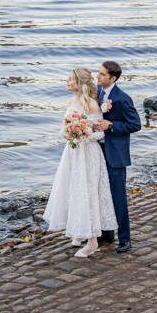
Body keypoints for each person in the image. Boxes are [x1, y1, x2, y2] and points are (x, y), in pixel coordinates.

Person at [42, 67, 118, 258]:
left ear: (80, 83)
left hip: (89, 154)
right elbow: (64, 128)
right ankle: (78, 231)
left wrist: (85, 134)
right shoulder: (71, 101)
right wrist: (68, 133)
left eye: (70, 79)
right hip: (73, 153)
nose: (67, 82)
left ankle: (92, 242)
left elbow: (101, 133)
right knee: (73, 189)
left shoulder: (92, 104)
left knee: (88, 192)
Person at [93, 60, 141, 252]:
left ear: (112, 78)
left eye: (102, 74)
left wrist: (111, 125)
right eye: (98, 73)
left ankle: (125, 238)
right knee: (101, 193)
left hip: (116, 154)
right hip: (96, 151)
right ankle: (106, 233)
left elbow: (135, 125)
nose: (98, 76)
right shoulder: (96, 93)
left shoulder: (122, 98)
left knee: (118, 196)